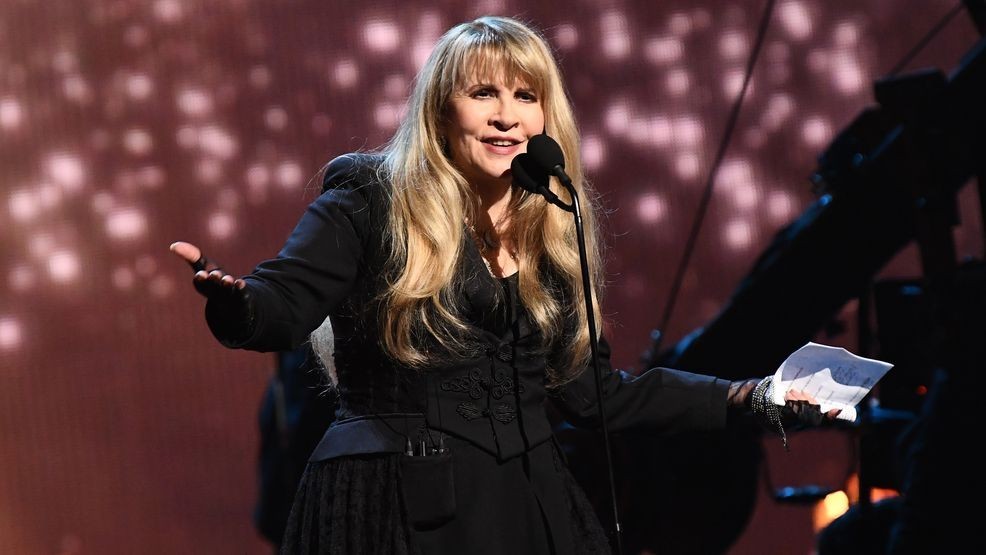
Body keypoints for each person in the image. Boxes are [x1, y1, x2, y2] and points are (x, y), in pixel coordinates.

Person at [171, 16, 834, 554]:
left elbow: (599, 397)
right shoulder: (369, 203)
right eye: (483, 93)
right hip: (394, 505)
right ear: (440, 110)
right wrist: (238, 304)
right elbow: (282, 303)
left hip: (526, 509)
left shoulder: (551, 233)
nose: (506, 116)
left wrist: (753, 397)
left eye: (525, 96)